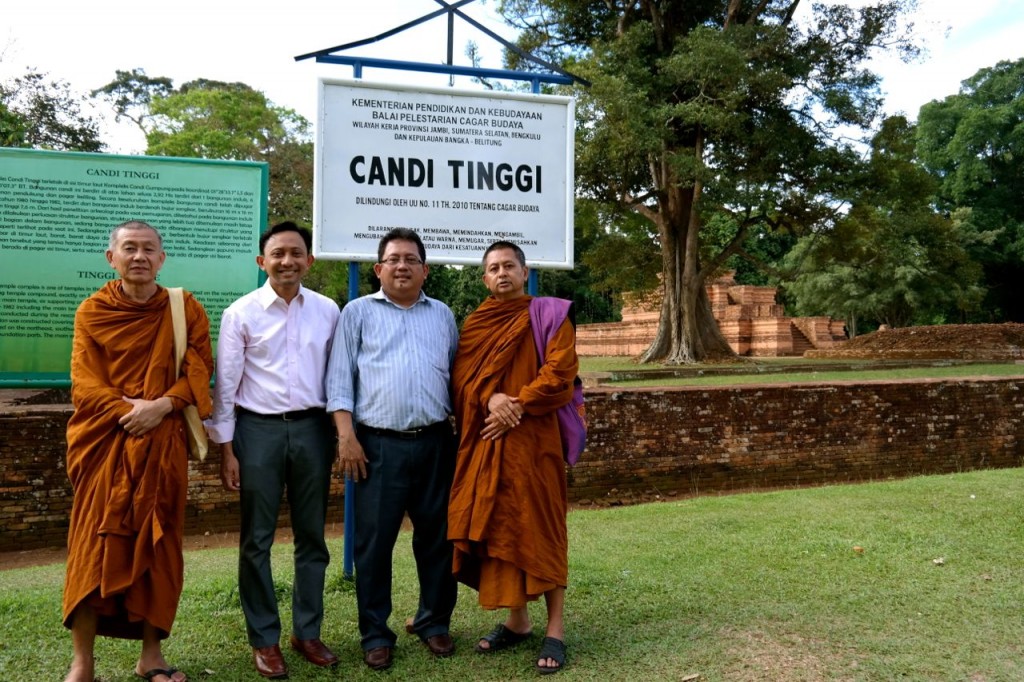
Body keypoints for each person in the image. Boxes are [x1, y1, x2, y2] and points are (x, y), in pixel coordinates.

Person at [63, 220, 213, 682]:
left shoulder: (183, 309)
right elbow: (85, 381)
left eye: (149, 249)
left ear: (162, 258)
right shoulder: (93, 310)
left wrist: (163, 406)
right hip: (107, 441)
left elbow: (201, 369)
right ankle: (82, 662)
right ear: (112, 258)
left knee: (160, 545)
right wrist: (131, 411)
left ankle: (152, 655)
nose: (139, 256)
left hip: (162, 444)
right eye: (129, 248)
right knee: (92, 546)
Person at [207, 221, 341, 679]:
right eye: (278, 253)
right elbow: (225, 387)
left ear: (310, 260)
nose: (287, 260)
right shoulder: (240, 313)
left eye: (296, 253)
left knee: (312, 538)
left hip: (312, 430)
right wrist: (226, 449)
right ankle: (264, 639)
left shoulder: (328, 311)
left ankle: (308, 632)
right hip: (257, 432)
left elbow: (338, 377)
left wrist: (341, 434)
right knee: (256, 540)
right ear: (261, 261)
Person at [326, 227, 459, 671]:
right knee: (374, 544)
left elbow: (457, 378)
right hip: (376, 447)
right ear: (378, 269)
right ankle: (375, 634)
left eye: (411, 259)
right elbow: (340, 378)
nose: (402, 266)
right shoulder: (358, 312)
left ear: (425, 269)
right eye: (393, 259)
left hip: (436, 443)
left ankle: (434, 622)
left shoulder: (442, 315)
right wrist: (346, 436)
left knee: (438, 539)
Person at [448, 240, 579, 675]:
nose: (501, 273)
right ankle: (517, 621)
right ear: (484, 278)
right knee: (499, 528)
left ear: (525, 272)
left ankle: (555, 629)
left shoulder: (549, 315)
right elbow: (463, 384)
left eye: (509, 266)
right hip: (489, 443)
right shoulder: (476, 323)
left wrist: (516, 405)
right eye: (493, 268)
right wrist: (492, 400)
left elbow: (560, 372)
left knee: (542, 528)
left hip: (536, 443)